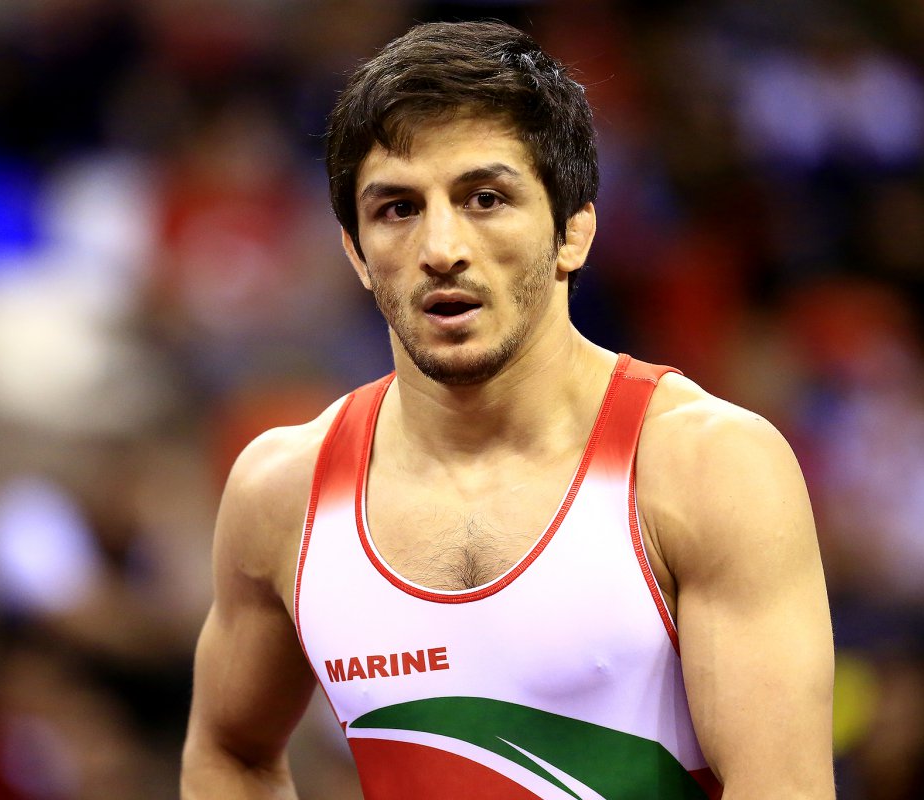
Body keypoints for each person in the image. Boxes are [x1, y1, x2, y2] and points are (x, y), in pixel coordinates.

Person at [181, 20, 834, 799]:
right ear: (355, 252)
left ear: (573, 232)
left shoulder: (706, 467)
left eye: (485, 199)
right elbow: (229, 751)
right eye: (398, 208)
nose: (441, 248)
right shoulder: (284, 493)